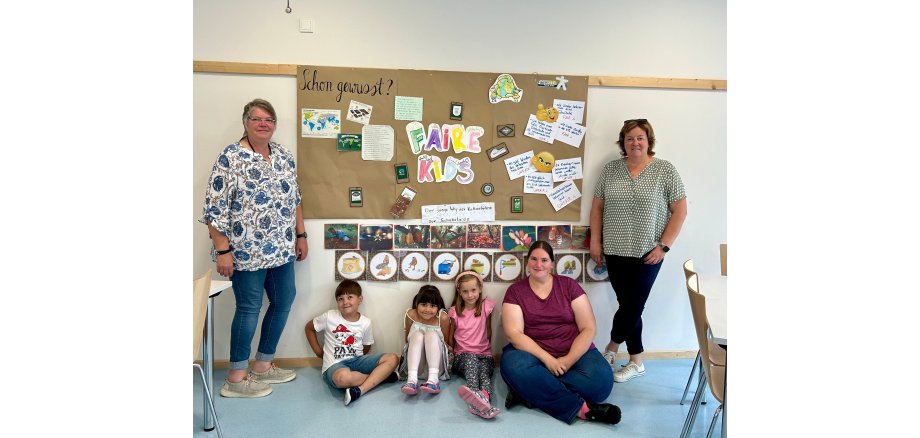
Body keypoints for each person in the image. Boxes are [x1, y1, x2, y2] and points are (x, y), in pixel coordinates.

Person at [201, 98, 308, 398]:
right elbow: (214, 208)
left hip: (282, 248)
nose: (264, 124)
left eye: (269, 119)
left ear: (275, 125)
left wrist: (301, 235)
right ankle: (236, 376)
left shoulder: (284, 156)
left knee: (284, 300)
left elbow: (295, 199)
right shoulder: (230, 158)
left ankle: (262, 364)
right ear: (245, 122)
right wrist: (223, 251)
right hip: (245, 252)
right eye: (257, 118)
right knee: (249, 309)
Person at [589, 118, 688, 383]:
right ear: (623, 142)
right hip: (615, 249)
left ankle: (610, 349)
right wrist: (595, 242)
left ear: (648, 141)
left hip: (649, 252)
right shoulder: (611, 170)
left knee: (633, 305)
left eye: (640, 137)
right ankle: (636, 361)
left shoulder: (665, 170)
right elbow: (597, 207)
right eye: (630, 138)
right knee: (628, 306)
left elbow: (680, 210)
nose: (635, 142)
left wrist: (664, 246)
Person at [500, 240, 621, 425]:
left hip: (574, 350)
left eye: (544, 260)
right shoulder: (515, 291)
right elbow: (514, 334)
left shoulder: (569, 286)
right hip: (533, 354)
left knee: (601, 384)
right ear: (527, 262)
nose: (538, 264)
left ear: (552, 263)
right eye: (533, 259)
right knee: (512, 366)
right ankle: (583, 409)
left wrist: (568, 359)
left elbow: (589, 328)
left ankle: (528, 391)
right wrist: (548, 360)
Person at [305, 280, 399, 406]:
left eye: (350, 297)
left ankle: (361, 389)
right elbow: (309, 328)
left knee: (393, 358)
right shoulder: (329, 316)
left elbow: (366, 345)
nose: (345, 302)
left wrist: (359, 358)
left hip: (357, 360)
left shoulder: (366, 322)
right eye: (340, 299)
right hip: (335, 364)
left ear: (360, 299)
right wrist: (318, 352)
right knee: (343, 379)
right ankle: (381, 378)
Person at [448, 271, 500, 419]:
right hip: (463, 356)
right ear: (459, 291)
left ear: (480, 289)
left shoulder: (486, 307)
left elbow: (488, 330)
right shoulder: (454, 312)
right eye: (465, 291)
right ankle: (474, 393)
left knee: (484, 373)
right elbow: (451, 336)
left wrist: (487, 351)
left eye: (473, 290)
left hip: (485, 355)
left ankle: (483, 404)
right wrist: (452, 354)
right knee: (471, 359)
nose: (470, 295)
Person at [397, 285, 452, 396]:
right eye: (423, 304)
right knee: (416, 335)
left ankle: (433, 380)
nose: (427, 309)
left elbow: (447, 345)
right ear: (417, 303)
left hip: (437, 367)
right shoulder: (410, 314)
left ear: (438, 306)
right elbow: (407, 340)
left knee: (431, 334)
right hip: (416, 368)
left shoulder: (443, 318)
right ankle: (412, 381)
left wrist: (429, 340)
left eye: (432, 306)